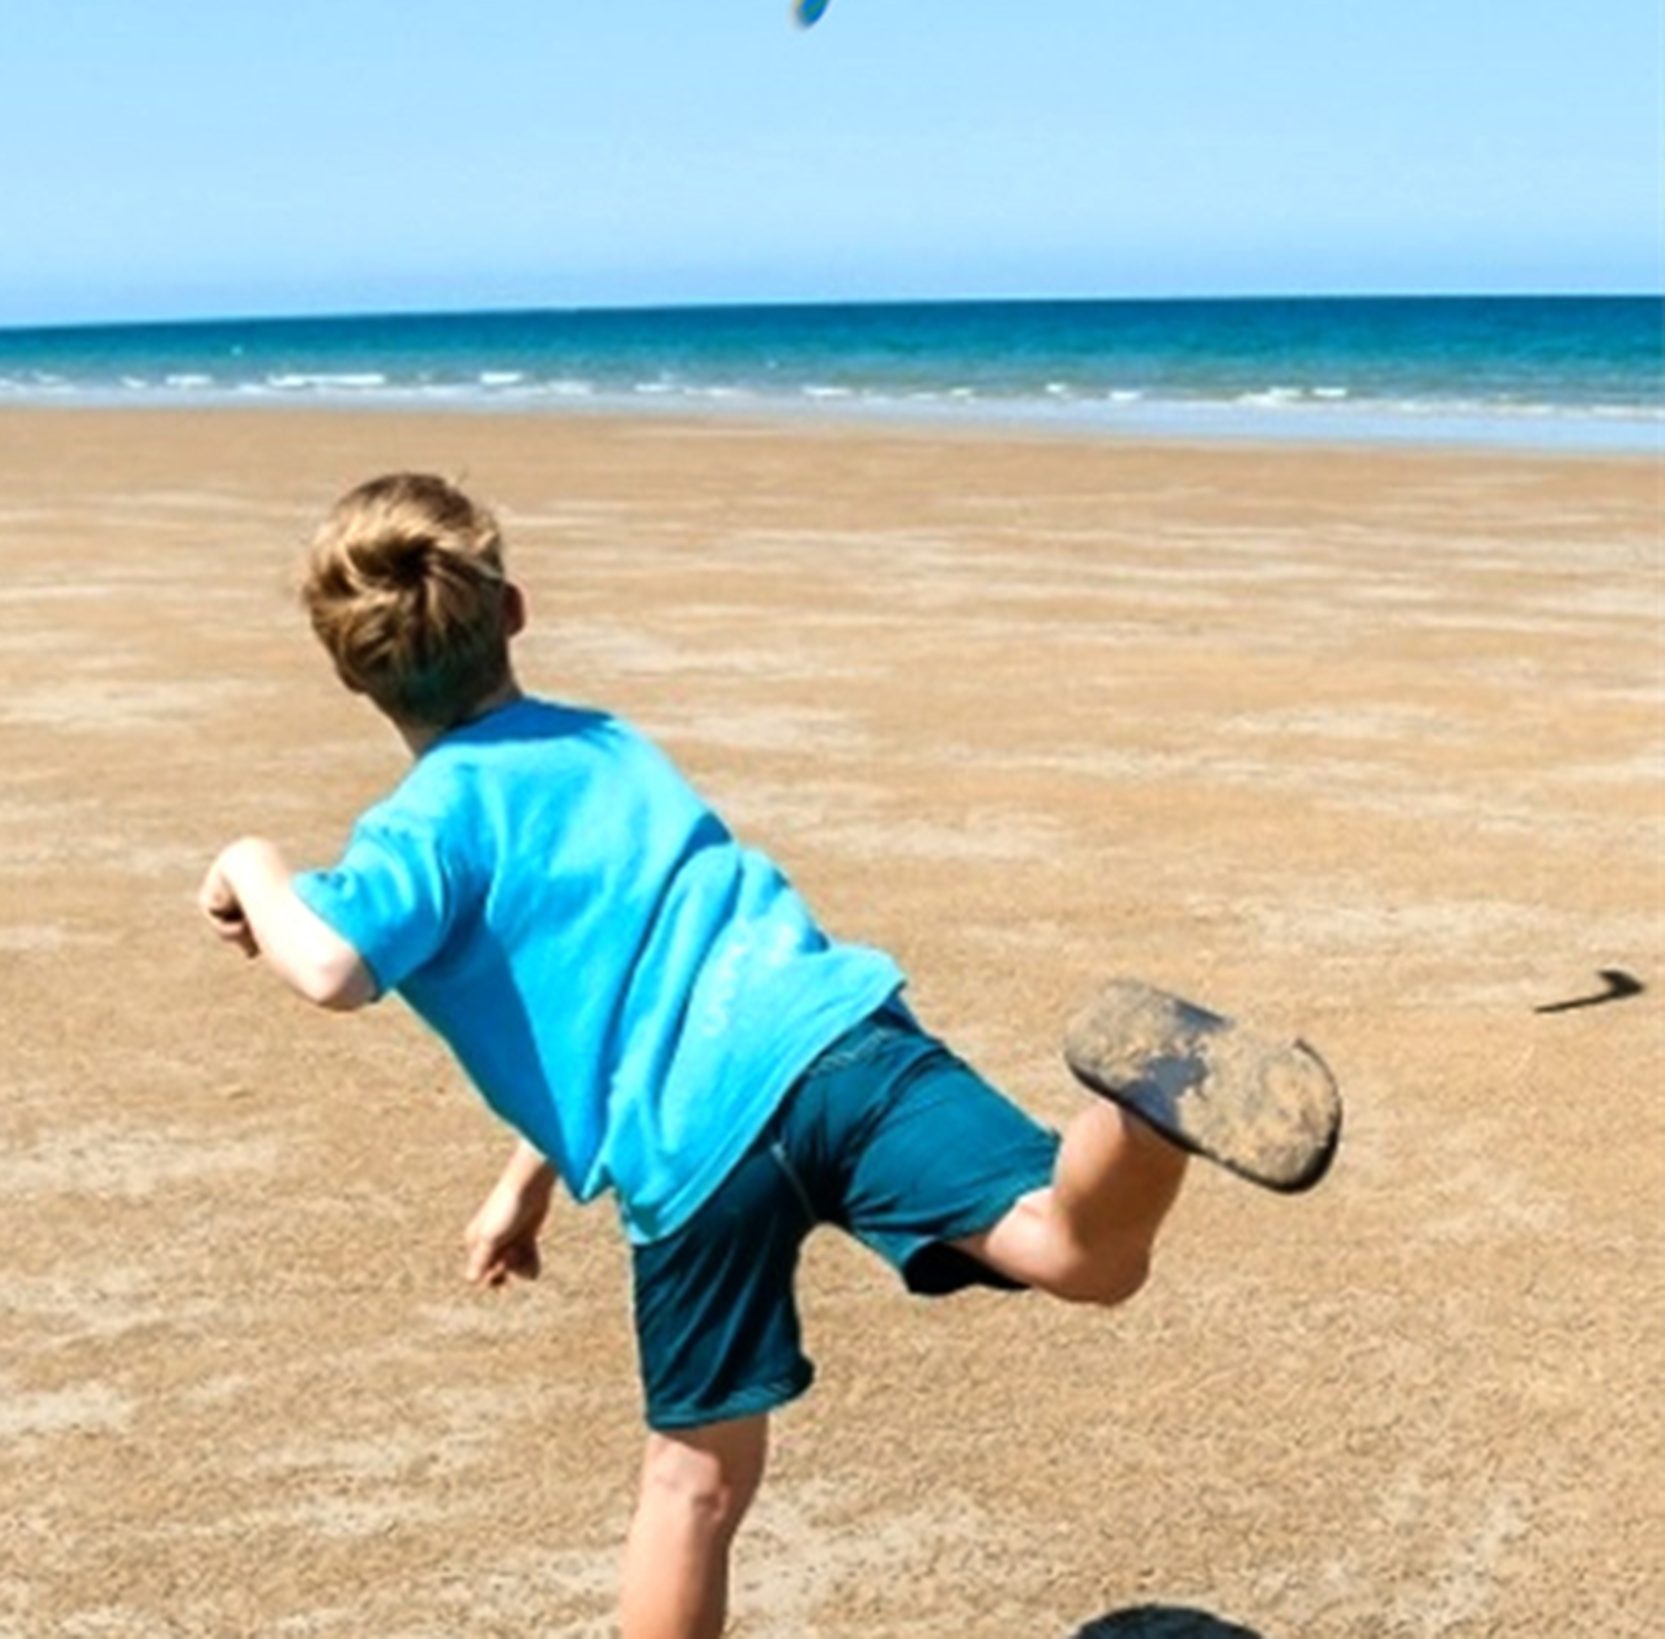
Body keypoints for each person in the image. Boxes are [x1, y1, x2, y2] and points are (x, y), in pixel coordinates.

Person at [198, 471, 1340, 1639]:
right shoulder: (607, 745)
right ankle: (1147, 1111)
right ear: (513, 609)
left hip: (697, 1156)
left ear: (349, 667)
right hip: (830, 1034)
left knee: (692, 1486)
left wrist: (249, 862)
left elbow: (331, 966)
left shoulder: (419, 830)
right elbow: (622, 973)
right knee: (1080, 1249)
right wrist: (522, 1181)